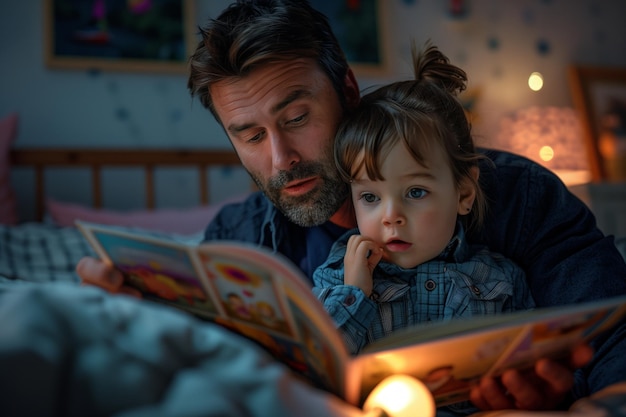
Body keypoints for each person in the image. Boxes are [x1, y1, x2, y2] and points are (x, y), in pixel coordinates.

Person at [77, 0, 626, 412]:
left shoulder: (515, 193)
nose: (281, 159)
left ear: (347, 89)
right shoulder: (237, 240)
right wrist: (121, 313)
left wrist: (576, 399)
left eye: (296, 119)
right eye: (248, 135)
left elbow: (613, 327)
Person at [312, 43, 536, 358]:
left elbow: (534, 362)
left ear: (464, 194)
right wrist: (354, 294)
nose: (391, 216)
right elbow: (316, 368)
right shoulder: (336, 278)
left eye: (416, 192)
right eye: (370, 197)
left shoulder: (501, 280)